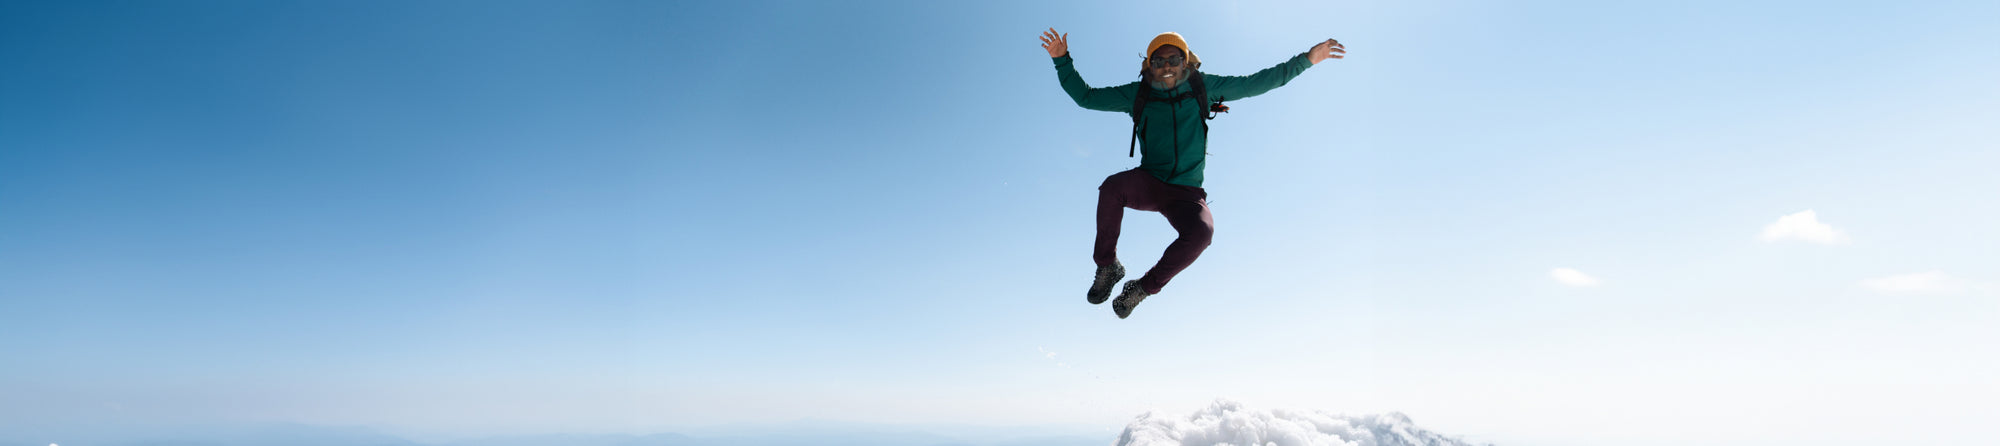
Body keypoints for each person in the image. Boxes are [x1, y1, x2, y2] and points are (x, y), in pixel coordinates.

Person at [1040, 28, 1345, 319]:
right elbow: (1086, 98)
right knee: (1111, 188)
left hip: (1186, 193)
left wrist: (1306, 60)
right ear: (1149, 66)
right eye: (1159, 62)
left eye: (1174, 60)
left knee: (1202, 234)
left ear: (1186, 62)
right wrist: (1061, 60)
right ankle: (1108, 267)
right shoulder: (1137, 94)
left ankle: (1141, 288)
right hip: (1150, 181)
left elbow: (1257, 82)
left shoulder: (1204, 86)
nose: (1167, 67)